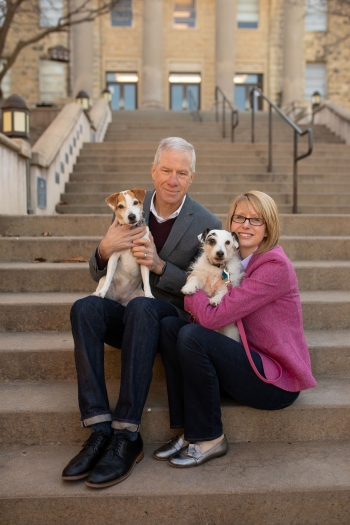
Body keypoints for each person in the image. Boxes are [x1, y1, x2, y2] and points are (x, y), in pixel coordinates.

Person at [61, 137, 221, 488]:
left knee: (143, 307)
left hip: (163, 318)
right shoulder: (130, 202)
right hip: (126, 312)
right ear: (153, 170)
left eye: (181, 172)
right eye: (165, 169)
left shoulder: (206, 222)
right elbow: (96, 269)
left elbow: (211, 284)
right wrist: (103, 250)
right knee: (84, 308)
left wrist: (162, 267)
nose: (172, 179)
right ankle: (99, 428)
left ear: (192, 177)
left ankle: (127, 434)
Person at [154, 190, 317, 467]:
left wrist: (195, 279)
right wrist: (202, 281)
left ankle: (210, 437)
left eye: (256, 219)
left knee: (193, 335)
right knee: (170, 326)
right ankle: (188, 430)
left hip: (272, 379)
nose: (245, 225)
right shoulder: (234, 264)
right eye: (240, 217)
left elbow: (211, 319)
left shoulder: (273, 266)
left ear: (268, 228)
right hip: (243, 363)